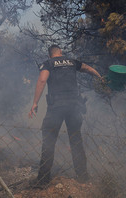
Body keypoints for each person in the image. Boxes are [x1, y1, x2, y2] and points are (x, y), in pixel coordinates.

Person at [28, 45, 103, 187]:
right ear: (60, 52)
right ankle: (83, 177)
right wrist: (98, 75)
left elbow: (42, 80)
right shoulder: (71, 61)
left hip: (56, 107)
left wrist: (35, 103)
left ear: (50, 55)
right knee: (76, 141)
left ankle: (43, 180)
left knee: (49, 142)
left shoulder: (48, 63)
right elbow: (87, 68)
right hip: (74, 106)